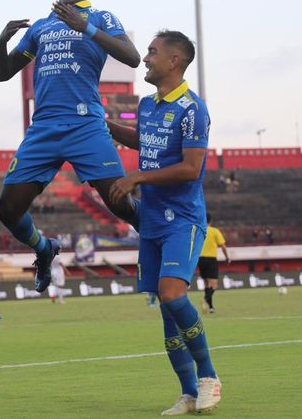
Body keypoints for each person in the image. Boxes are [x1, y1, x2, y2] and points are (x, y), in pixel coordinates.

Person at [0, 0, 141, 293]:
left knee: (120, 202)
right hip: (44, 127)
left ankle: (160, 240)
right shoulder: (41, 27)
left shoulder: (100, 18)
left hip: (85, 124)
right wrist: (1, 43)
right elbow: (4, 72)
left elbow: (131, 57)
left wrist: (84, 27)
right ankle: (44, 249)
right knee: (7, 208)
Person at [106, 30, 220, 415]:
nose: (146, 58)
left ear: (175, 61)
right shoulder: (148, 105)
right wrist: (106, 126)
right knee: (166, 312)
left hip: (183, 220)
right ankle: (189, 394)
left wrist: (136, 177)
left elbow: (191, 168)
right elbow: (146, 142)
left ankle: (209, 378)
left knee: (173, 294)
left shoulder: (193, 109)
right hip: (152, 222)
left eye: (153, 52)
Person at [198, 213, 230, 314]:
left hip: (200, 259)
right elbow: (223, 246)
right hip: (211, 259)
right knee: (214, 285)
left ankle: (211, 307)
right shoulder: (215, 231)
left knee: (206, 284)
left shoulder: (199, 231)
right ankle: (205, 299)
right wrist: (227, 257)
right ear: (211, 221)